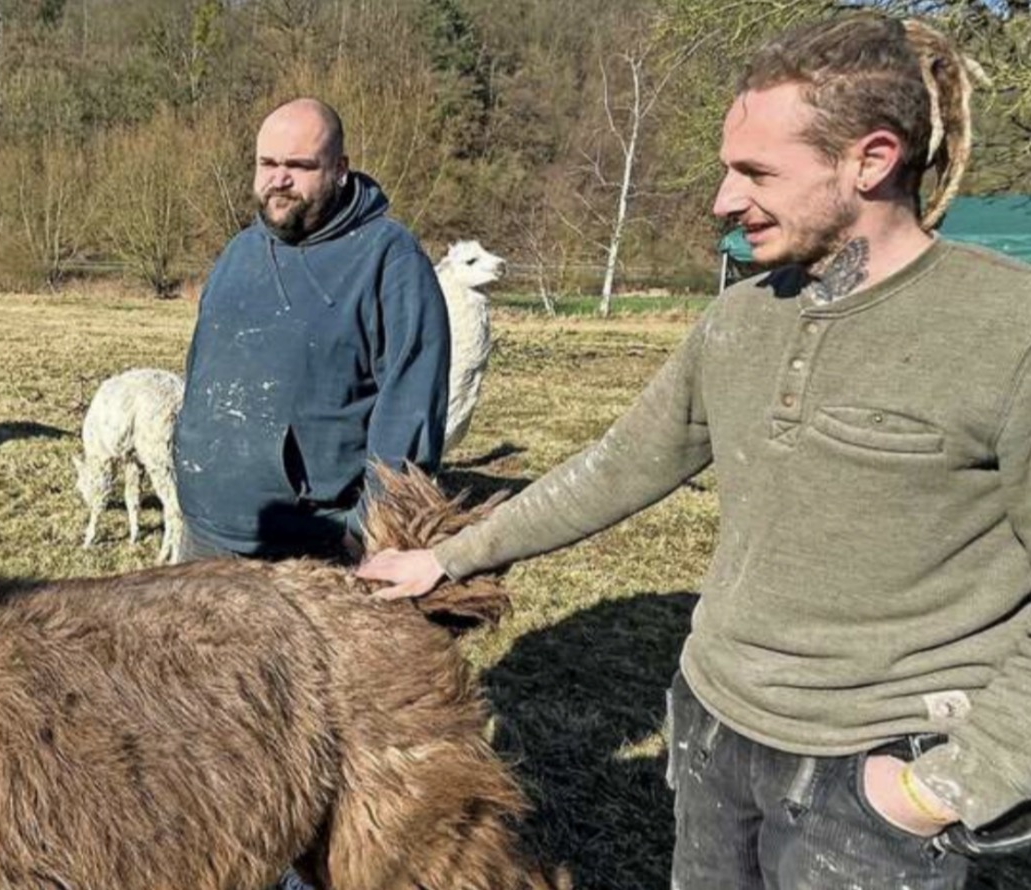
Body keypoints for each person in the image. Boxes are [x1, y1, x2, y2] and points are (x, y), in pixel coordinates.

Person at [359, 14, 1031, 890]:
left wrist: (946, 785)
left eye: (755, 172)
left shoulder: (1005, 334)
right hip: (717, 735)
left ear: (871, 160)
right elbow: (613, 469)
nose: (722, 199)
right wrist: (447, 558)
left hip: (877, 779)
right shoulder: (741, 320)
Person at [173, 97, 450, 562]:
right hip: (203, 536)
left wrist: (367, 531)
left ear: (340, 168)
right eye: (267, 163)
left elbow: (411, 412)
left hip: (308, 555)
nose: (279, 179)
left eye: (299, 165)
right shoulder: (239, 253)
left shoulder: (389, 260)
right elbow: (202, 372)